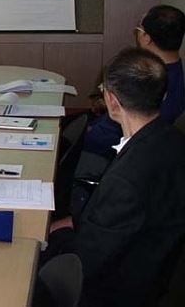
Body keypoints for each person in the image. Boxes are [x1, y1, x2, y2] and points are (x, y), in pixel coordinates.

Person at [45, 48, 185, 307]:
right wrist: (68, 222)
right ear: (163, 95)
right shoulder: (172, 139)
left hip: (110, 287)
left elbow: (85, 258)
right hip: (148, 264)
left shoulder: (126, 179)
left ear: (112, 101)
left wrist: (47, 240)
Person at [83, 4, 185, 160]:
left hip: (105, 151)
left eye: (139, 29)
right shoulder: (173, 73)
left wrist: (89, 132)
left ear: (147, 38)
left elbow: (116, 132)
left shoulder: (149, 79)